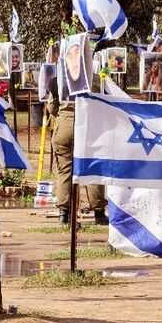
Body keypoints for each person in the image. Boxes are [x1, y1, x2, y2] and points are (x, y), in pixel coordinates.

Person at [48, 70, 107, 225]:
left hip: (64, 127)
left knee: (64, 172)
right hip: (88, 126)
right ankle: (99, 214)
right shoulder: (93, 78)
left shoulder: (59, 78)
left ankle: (64, 214)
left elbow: (51, 108)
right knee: (92, 170)